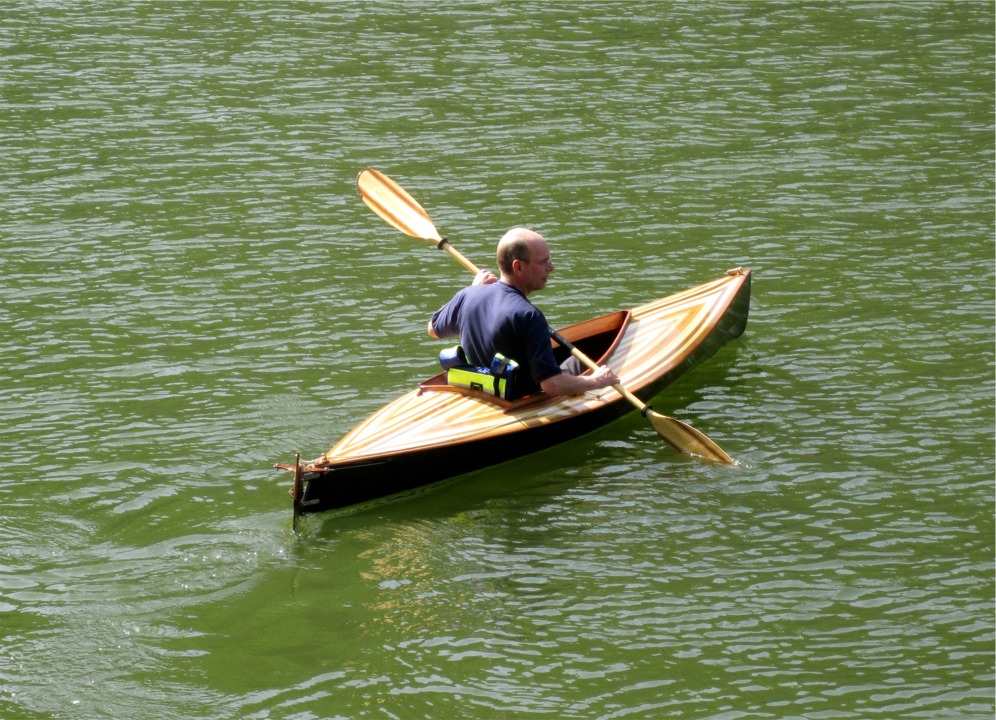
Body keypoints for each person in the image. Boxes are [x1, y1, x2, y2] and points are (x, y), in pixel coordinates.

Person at [428, 227, 619, 399]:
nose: (551, 268)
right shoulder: (529, 316)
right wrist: (597, 381)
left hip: (485, 392)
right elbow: (552, 385)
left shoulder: (467, 295)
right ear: (518, 267)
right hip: (520, 401)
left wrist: (472, 289)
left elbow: (433, 329)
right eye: (544, 262)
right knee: (590, 352)